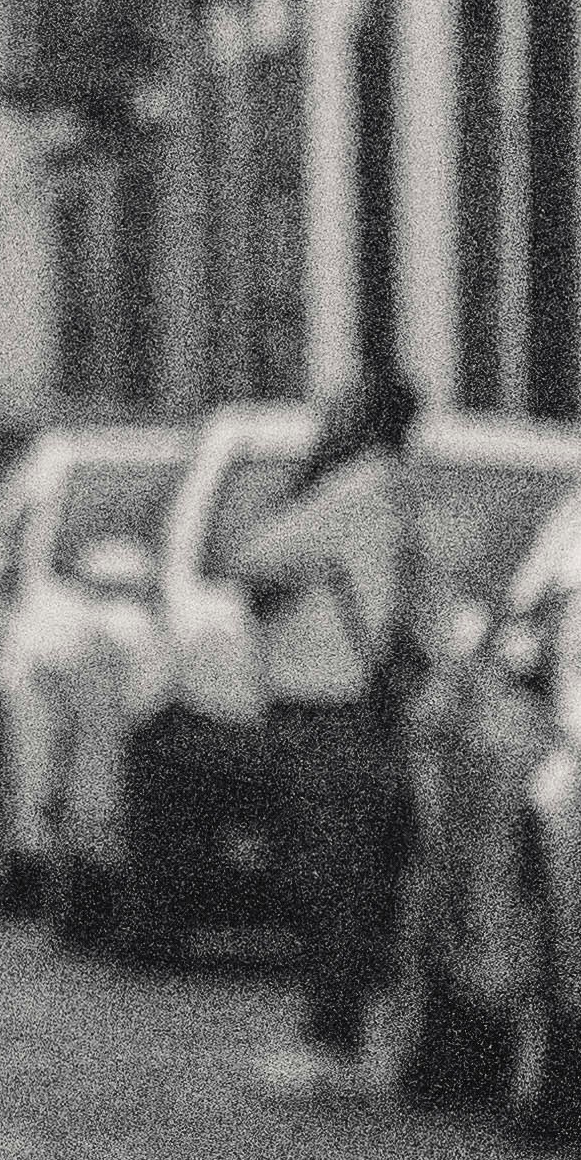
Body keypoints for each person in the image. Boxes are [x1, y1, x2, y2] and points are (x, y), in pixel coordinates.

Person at [229, 367, 429, 1098]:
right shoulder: (394, 492)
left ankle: (332, 1043)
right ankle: (344, 1036)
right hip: (353, 709)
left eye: (341, 408)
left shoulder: (355, 489)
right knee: (345, 876)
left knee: (331, 878)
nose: (325, 418)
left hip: (329, 710)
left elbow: (254, 556)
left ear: (363, 421)